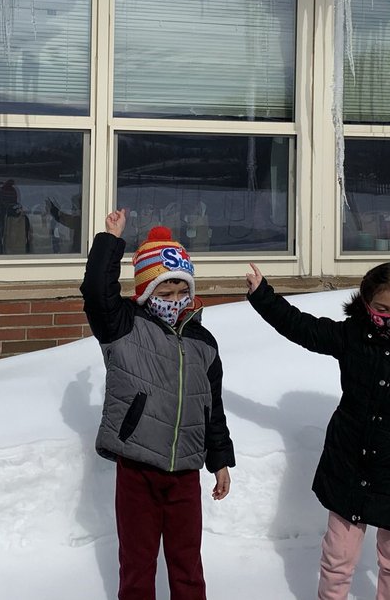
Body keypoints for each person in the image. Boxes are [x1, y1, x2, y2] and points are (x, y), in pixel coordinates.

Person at [243, 261, 390, 600]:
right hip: (349, 468)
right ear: (367, 305)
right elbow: (303, 328)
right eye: (382, 309)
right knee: (337, 559)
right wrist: (263, 296)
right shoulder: (353, 336)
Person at [82, 209, 235, 600]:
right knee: (137, 564)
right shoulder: (124, 328)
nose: (174, 300)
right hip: (137, 471)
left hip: (185, 473)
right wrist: (110, 241)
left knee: (187, 566)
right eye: (164, 293)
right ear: (146, 294)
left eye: (181, 291)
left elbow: (211, 408)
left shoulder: (204, 343)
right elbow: (97, 293)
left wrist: (219, 459)